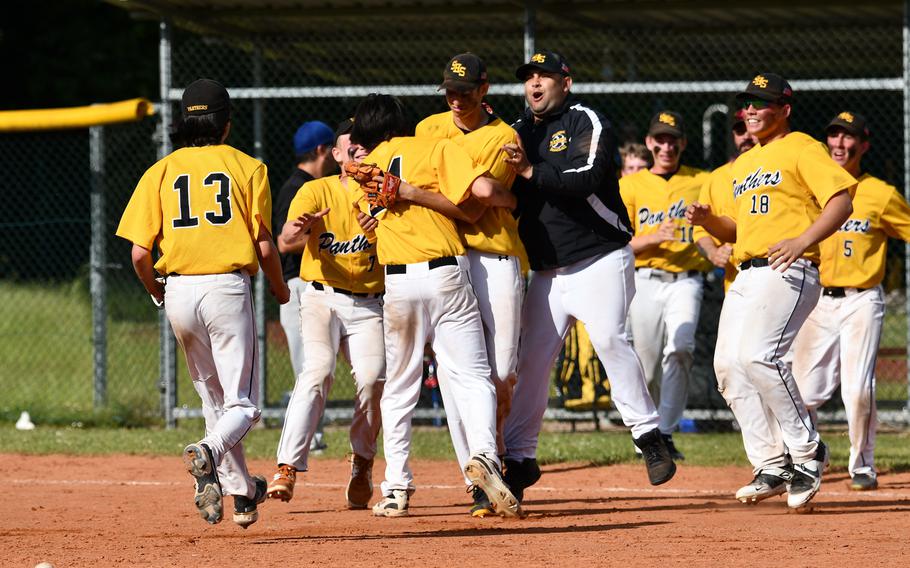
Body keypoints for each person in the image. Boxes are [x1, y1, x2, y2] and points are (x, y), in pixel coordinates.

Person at [500, 50, 676, 504]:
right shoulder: (517, 132)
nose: (535, 83)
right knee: (530, 364)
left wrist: (525, 170)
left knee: (611, 341)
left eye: (544, 76)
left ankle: (649, 438)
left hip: (600, 257)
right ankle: (519, 461)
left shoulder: (585, 121)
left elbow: (586, 177)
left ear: (566, 82)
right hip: (546, 271)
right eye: (529, 78)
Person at [116, 79, 290, 528]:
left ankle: (243, 494)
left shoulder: (160, 170)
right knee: (244, 404)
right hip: (226, 288)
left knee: (215, 399)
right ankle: (208, 452)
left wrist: (157, 290)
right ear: (226, 124)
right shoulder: (248, 166)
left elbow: (139, 254)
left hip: (177, 290)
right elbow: (266, 247)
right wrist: (280, 288)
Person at [686, 73, 856, 509]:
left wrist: (803, 240)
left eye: (763, 103)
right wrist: (708, 222)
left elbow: (841, 199)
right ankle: (771, 463)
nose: (753, 110)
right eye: (748, 104)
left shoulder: (801, 146)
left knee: (760, 357)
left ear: (784, 110)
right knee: (727, 366)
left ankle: (807, 450)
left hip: (789, 266)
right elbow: (738, 228)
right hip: (746, 272)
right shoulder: (743, 164)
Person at [349, 93, 521, 518]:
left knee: (401, 386)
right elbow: (470, 209)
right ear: (398, 125)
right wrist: (511, 200)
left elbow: (375, 232)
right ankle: (484, 454)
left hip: (396, 283)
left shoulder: (361, 176)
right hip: (444, 273)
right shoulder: (434, 147)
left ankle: (396, 488)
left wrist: (398, 198)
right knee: (473, 375)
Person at [414, 53, 524, 518]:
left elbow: (477, 207)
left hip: (496, 257)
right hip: (448, 260)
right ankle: (477, 475)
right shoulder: (426, 130)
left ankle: (494, 453)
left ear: (484, 89)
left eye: (465, 90)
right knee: (459, 377)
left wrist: (420, 193)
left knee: (500, 374)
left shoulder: (503, 137)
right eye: (450, 91)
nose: (456, 99)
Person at [266, 118, 385, 509]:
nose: (356, 153)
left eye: (362, 147)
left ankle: (362, 461)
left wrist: (377, 234)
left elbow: (404, 251)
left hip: (368, 302)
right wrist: (302, 230)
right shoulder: (315, 190)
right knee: (317, 372)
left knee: (371, 379)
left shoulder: (385, 197)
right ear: (334, 154)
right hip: (321, 298)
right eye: (349, 147)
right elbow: (284, 239)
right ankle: (286, 466)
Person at [791, 111, 910, 491]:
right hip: (817, 299)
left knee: (858, 388)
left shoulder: (881, 193)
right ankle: (809, 456)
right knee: (803, 392)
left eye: (849, 138)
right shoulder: (812, 188)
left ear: (864, 145)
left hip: (862, 300)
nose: (840, 144)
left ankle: (863, 464)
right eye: (835, 136)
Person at [620, 110, 712, 461]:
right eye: (660, 139)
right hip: (644, 280)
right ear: (649, 143)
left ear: (683, 144)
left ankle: (668, 432)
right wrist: (653, 237)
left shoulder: (700, 181)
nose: (666, 145)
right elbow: (618, 244)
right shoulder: (630, 185)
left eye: (673, 139)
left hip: (686, 280)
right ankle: (647, 432)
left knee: (681, 348)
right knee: (645, 364)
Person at [273, 120, 336, 454]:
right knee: (307, 368)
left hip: (313, 286)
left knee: (317, 367)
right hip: (297, 286)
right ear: (321, 150)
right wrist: (328, 239)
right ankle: (305, 438)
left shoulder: (308, 186)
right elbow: (285, 242)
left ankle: (312, 436)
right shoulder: (298, 188)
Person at [694, 110, 757, 291]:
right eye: (739, 131)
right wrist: (713, 253)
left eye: (749, 128)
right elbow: (699, 231)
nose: (746, 136)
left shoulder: (779, 168)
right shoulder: (717, 178)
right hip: (735, 279)